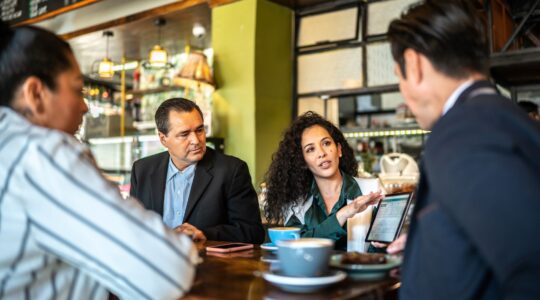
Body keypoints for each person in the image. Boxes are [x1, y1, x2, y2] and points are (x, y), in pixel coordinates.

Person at [0, 22, 198, 299]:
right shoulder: (41, 151)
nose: (85, 106)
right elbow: (165, 271)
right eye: (77, 89)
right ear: (35, 93)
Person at [384, 0, 540, 299]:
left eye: (398, 75)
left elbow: (531, 267)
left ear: (414, 65)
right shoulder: (507, 119)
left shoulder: (463, 129)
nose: (402, 91)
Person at [130, 98, 265, 244]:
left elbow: (252, 232)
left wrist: (204, 234)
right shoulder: (142, 170)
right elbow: (132, 226)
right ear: (163, 139)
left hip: (209, 264)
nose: (196, 140)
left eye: (199, 130)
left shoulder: (231, 171)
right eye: (184, 134)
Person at [263, 111, 383, 250]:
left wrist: (384, 243)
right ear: (302, 162)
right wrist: (343, 214)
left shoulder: (372, 189)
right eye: (310, 149)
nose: (321, 153)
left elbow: (382, 252)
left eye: (326, 143)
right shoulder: (296, 205)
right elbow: (296, 247)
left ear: (339, 150)